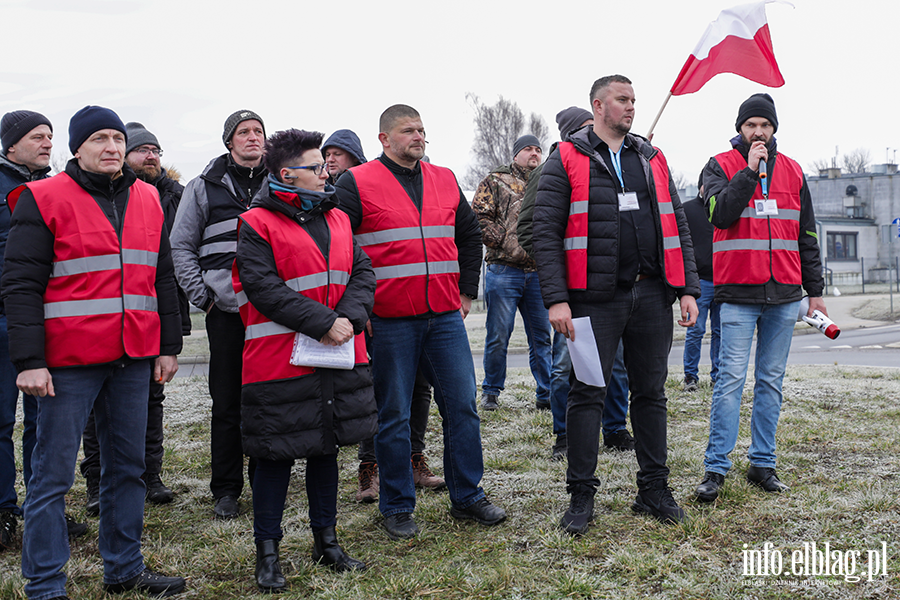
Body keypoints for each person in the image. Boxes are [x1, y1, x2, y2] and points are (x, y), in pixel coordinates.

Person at [2, 105, 185, 598]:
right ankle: (44, 583)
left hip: (133, 356)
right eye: (100, 138)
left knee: (128, 468)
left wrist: (169, 346)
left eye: (118, 138)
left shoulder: (148, 197)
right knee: (53, 475)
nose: (112, 147)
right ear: (76, 147)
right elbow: (19, 285)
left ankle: (124, 567)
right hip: (68, 363)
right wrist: (30, 361)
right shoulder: (41, 199)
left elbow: (162, 277)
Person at [533, 75, 699, 534]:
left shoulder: (650, 157)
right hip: (590, 302)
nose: (631, 107)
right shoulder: (565, 158)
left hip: (651, 296)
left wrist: (686, 287)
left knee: (651, 394)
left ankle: (653, 490)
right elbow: (544, 235)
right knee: (588, 394)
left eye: (634, 100)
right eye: (622, 100)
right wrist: (557, 300)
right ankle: (581, 498)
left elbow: (677, 225)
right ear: (598, 106)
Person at [335, 104, 506, 540]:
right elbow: (339, 250)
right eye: (408, 130)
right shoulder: (355, 183)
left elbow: (469, 236)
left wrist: (467, 289)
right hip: (389, 321)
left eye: (422, 130)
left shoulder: (445, 179)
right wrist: (360, 309)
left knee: (463, 406)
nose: (418, 136)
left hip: (444, 317)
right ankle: (396, 505)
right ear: (384, 139)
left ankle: (468, 496)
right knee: (392, 416)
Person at [234, 129, 376, 592]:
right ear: (286, 174)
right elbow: (262, 287)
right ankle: (268, 553)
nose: (325, 172)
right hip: (278, 361)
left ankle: (327, 542)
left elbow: (362, 271)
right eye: (316, 167)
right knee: (274, 455)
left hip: (335, 354)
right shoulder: (256, 222)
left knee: (326, 448)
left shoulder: (337, 217)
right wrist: (323, 322)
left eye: (324, 165)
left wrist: (349, 320)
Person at [694, 93, 826, 503]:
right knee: (729, 381)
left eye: (765, 125)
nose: (759, 132)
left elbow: (807, 234)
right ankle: (716, 468)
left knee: (770, 382)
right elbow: (719, 212)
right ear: (740, 130)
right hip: (737, 293)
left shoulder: (794, 171)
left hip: (785, 295)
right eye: (751, 125)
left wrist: (815, 292)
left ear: (774, 129)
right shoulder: (720, 165)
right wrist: (749, 173)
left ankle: (762, 464)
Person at [323, 128, 444, 502]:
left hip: (419, 308)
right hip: (374, 312)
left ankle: (413, 459)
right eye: (326, 154)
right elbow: (341, 256)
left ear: (357, 157)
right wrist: (359, 309)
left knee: (419, 388)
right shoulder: (342, 196)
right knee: (377, 391)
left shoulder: (375, 187)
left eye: (338, 154)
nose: (330, 161)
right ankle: (370, 468)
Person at [81, 122, 190, 513]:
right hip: (107, 319)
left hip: (157, 312)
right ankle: (96, 480)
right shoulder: (108, 195)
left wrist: (174, 331)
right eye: (142, 150)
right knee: (99, 408)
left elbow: (167, 265)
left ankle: (150, 474)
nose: (151, 156)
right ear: (126, 158)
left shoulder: (176, 196)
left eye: (155, 150)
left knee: (152, 399)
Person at [517, 107, 635, 458]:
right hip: (571, 289)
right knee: (566, 364)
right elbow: (530, 229)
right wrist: (561, 265)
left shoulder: (615, 164)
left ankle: (614, 429)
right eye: (586, 128)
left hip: (612, 288)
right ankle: (564, 436)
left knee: (615, 363)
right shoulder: (552, 169)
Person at [171, 110, 267, 519]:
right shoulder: (202, 187)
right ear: (229, 142)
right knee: (226, 402)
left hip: (272, 314)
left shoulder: (281, 180)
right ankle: (226, 490)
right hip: (225, 312)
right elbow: (181, 246)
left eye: (258, 131)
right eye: (243, 132)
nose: (252, 138)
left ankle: (267, 479)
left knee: (268, 399)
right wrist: (204, 298)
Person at [0, 110, 88, 551]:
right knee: (1, 420)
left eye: (51, 136)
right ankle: (2, 510)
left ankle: (42, 505)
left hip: (47, 320)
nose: (47, 143)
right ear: (10, 145)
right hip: (3, 317)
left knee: (42, 420)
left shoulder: (51, 190)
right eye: (37, 136)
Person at [472, 134, 551, 412]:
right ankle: (491, 392)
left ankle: (546, 393)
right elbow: (479, 218)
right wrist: (506, 241)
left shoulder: (548, 181)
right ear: (516, 154)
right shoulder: (495, 180)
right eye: (528, 149)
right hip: (503, 270)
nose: (534, 153)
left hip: (538, 273)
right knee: (498, 335)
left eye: (538, 150)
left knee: (542, 337)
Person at [681, 173, 720, 391]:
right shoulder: (688, 210)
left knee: (720, 332)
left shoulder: (725, 208)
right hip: (699, 283)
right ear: (702, 186)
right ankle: (690, 377)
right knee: (695, 330)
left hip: (724, 281)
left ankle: (718, 376)